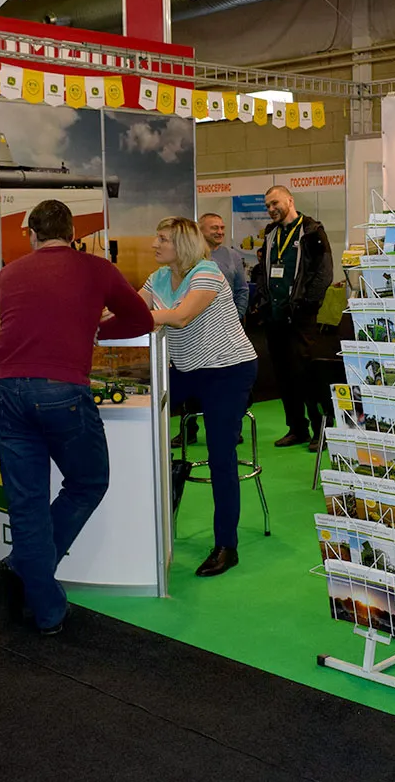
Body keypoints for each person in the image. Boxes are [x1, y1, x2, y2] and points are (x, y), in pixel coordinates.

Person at [0, 200, 152, 635]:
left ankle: (42, 600)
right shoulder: (96, 269)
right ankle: (31, 575)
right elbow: (141, 319)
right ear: (73, 232)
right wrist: (98, 329)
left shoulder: (9, 273)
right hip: (61, 390)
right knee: (87, 482)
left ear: (32, 235)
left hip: (5, 387)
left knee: (26, 503)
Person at [142, 217, 258, 577]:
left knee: (220, 455)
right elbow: (133, 308)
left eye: (162, 239)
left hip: (228, 370)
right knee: (141, 416)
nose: (155, 244)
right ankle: (166, 487)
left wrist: (143, 316)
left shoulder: (206, 272)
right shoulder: (158, 278)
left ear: (182, 245)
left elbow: (180, 317)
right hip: (188, 368)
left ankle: (227, 546)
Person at [249, 185, 333, 451]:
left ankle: (322, 430)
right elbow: (263, 270)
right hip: (274, 316)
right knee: (283, 375)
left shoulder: (311, 231)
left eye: (275, 203)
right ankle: (297, 428)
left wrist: (307, 306)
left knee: (307, 373)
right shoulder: (271, 233)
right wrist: (263, 301)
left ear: (289, 200)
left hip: (300, 317)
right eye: (267, 206)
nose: (271, 209)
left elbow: (324, 273)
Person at [172, 212, 250, 449]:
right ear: (200, 230)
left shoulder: (232, 256)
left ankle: (230, 431)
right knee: (191, 385)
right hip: (191, 334)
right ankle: (189, 430)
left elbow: (242, 290)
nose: (220, 232)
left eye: (222, 228)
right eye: (214, 227)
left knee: (224, 392)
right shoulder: (189, 259)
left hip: (224, 337)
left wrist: (235, 318)